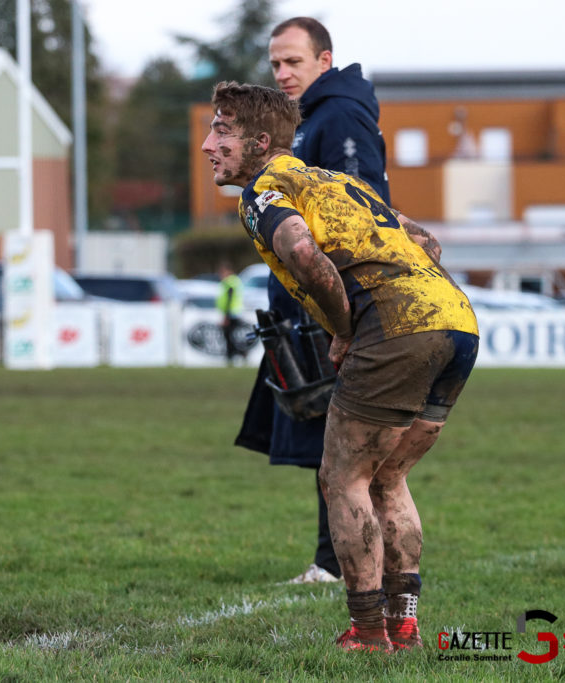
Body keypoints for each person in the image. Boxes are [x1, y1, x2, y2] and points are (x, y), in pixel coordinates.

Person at [202, 82, 479, 652]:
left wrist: (345, 332)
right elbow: (426, 240)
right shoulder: (338, 181)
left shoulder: (264, 189)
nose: (207, 145)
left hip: (398, 327)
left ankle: (369, 633)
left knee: (342, 478)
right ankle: (403, 629)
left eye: (220, 131)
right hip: (456, 321)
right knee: (388, 477)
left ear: (259, 142)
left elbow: (305, 255)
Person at [235, 16, 391, 586]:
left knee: (344, 446)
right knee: (329, 443)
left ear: (324, 61)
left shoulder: (341, 114)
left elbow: (362, 209)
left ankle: (339, 565)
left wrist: (342, 312)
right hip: (305, 307)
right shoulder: (301, 120)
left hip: (333, 310)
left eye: (293, 62)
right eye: (275, 64)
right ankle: (342, 561)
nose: (282, 73)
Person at [216, 262, 244, 364]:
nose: (221, 275)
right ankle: (239, 352)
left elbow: (229, 299)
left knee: (228, 335)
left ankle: (234, 354)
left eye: (222, 272)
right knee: (231, 335)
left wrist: (226, 316)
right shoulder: (234, 281)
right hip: (235, 312)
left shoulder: (229, 282)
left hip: (231, 313)